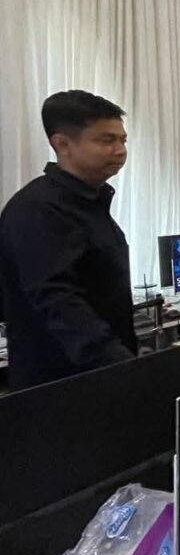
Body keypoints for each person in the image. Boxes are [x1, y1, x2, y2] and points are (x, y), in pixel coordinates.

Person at [0, 90, 136, 389]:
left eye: (123, 140)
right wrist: (124, 366)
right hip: (61, 386)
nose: (120, 150)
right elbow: (58, 303)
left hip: (101, 375)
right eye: (107, 140)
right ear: (62, 144)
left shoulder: (91, 203)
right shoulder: (37, 209)